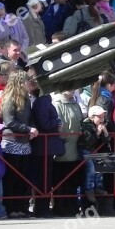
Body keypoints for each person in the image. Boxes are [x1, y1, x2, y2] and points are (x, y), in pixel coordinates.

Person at [0, 69, 38, 217]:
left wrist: (32, 128)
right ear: (20, 82)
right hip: (11, 142)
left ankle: (21, 207)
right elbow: (9, 121)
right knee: (12, 178)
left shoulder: (26, 99)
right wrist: (28, 129)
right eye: (26, 81)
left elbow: (30, 118)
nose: (29, 84)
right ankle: (10, 208)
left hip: (25, 142)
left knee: (23, 177)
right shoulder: (9, 98)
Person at [29, 77, 64, 218]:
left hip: (47, 146)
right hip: (43, 146)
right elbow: (45, 123)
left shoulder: (44, 100)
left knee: (46, 178)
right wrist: (58, 121)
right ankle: (41, 208)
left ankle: (43, 207)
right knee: (43, 179)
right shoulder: (42, 102)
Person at [51, 89, 84, 217]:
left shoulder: (75, 104)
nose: (71, 89)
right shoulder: (57, 103)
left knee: (73, 180)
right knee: (61, 179)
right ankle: (60, 207)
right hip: (63, 147)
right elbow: (59, 125)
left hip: (76, 147)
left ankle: (72, 206)